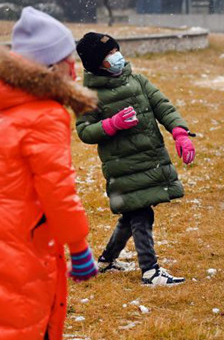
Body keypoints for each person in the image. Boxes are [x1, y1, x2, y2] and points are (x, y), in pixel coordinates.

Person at [0, 7, 98, 340]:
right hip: (13, 245)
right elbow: (59, 191)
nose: (75, 66)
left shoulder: (4, 105)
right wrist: (80, 248)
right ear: (53, 66)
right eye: (69, 58)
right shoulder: (45, 115)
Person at [75, 33, 195, 286]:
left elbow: (163, 105)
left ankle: (107, 261)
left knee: (132, 214)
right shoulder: (88, 95)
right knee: (141, 213)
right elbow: (85, 131)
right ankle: (150, 271)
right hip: (123, 165)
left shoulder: (137, 80)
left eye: (115, 51)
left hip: (149, 158)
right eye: (108, 55)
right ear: (97, 63)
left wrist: (179, 132)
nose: (116, 57)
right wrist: (111, 125)